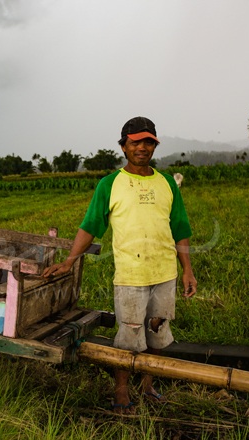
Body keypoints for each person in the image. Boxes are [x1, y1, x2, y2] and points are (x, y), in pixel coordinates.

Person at [41, 116, 197, 415]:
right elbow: (90, 227)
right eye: (135, 142)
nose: (142, 147)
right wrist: (69, 262)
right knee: (128, 337)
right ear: (123, 146)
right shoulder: (110, 185)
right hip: (130, 275)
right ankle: (121, 390)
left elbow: (180, 228)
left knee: (157, 330)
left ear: (155, 145)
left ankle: (148, 385)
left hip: (165, 272)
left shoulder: (166, 183)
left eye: (148, 141)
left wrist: (187, 269)